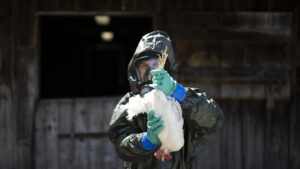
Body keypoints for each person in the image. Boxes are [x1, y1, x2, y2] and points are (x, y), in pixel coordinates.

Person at [108, 31, 225, 169]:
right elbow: (121, 144)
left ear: (167, 69)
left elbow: (213, 120)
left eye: (156, 65)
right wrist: (146, 141)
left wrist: (180, 94)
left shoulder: (183, 99)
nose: (150, 74)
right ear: (136, 71)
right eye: (144, 67)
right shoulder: (129, 103)